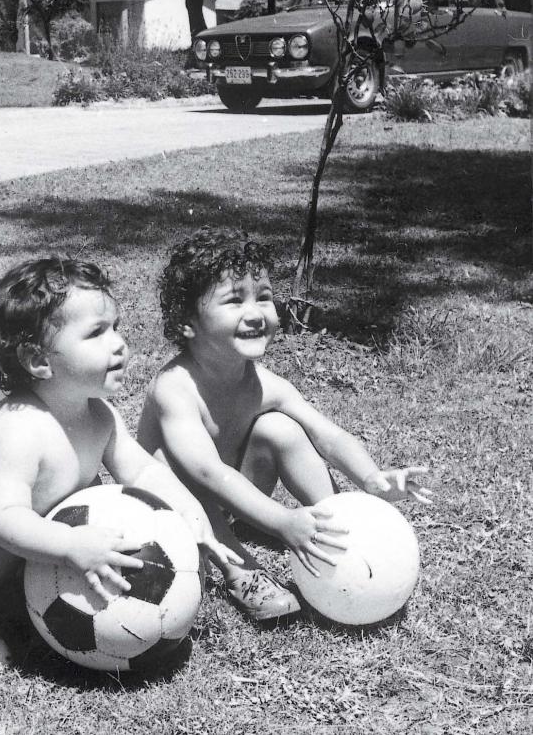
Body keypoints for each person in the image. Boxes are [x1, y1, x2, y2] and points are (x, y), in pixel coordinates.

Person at [0, 258, 239, 670]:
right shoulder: (21, 429)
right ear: (38, 361)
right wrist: (70, 545)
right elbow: (4, 518)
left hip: (22, 513)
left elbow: (143, 472)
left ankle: (14, 579)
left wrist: (189, 510)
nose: (119, 343)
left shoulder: (99, 414)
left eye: (115, 327)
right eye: (97, 333)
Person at [136, 229, 432, 621]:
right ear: (188, 324)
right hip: (178, 509)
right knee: (173, 469)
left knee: (282, 428)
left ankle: (337, 526)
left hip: (233, 500)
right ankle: (238, 567)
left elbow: (327, 434)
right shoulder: (175, 388)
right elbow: (207, 473)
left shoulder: (262, 383)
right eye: (234, 300)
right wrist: (280, 521)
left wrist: (370, 478)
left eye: (263, 296)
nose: (256, 312)